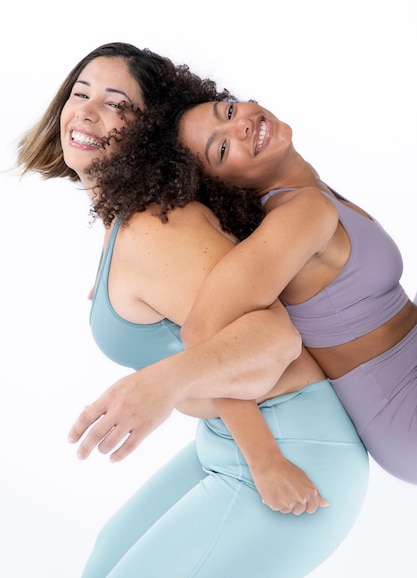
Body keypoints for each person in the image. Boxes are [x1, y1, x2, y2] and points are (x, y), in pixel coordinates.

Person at [16, 42, 368, 577]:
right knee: (107, 558)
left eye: (116, 104)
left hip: (293, 452)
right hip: (233, 444)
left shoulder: (155, 225)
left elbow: (273, 338)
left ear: (149, 135)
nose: (86, 111)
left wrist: (163, 384)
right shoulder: (129, 221)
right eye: (80, 92)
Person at [137, 81, 417, 485]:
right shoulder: (299, 213)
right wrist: (264, 461)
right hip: (402, 407)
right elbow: (201, 330)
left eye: (228, 111)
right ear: (222, 186)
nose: (241, 127)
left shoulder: (308, 192)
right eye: (221, 148)